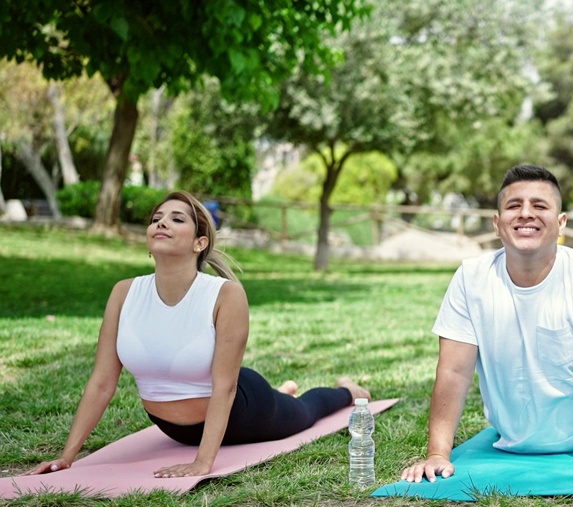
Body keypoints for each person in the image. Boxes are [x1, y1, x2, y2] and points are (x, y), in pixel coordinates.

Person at [26, 191, 370, 479]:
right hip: (172, 428)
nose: (161, 222)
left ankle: (346, 391)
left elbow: (226, 386)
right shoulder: (123, 293)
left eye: (177, 219)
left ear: (199, 242)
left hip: (245, 410)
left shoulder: (225, 295)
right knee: (289, 401)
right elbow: (102, 381)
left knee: (304, 411)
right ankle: (285, 391)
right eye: (157, 218)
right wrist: (67, 457)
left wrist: (202, 463)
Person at [399, 164, 573, 487]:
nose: (526, 213)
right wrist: (437, 454)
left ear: (561, 223)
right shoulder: (470, 279)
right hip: (515, 435)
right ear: (498, 224)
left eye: (539, 206)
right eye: (514, 206)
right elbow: (453, 372)